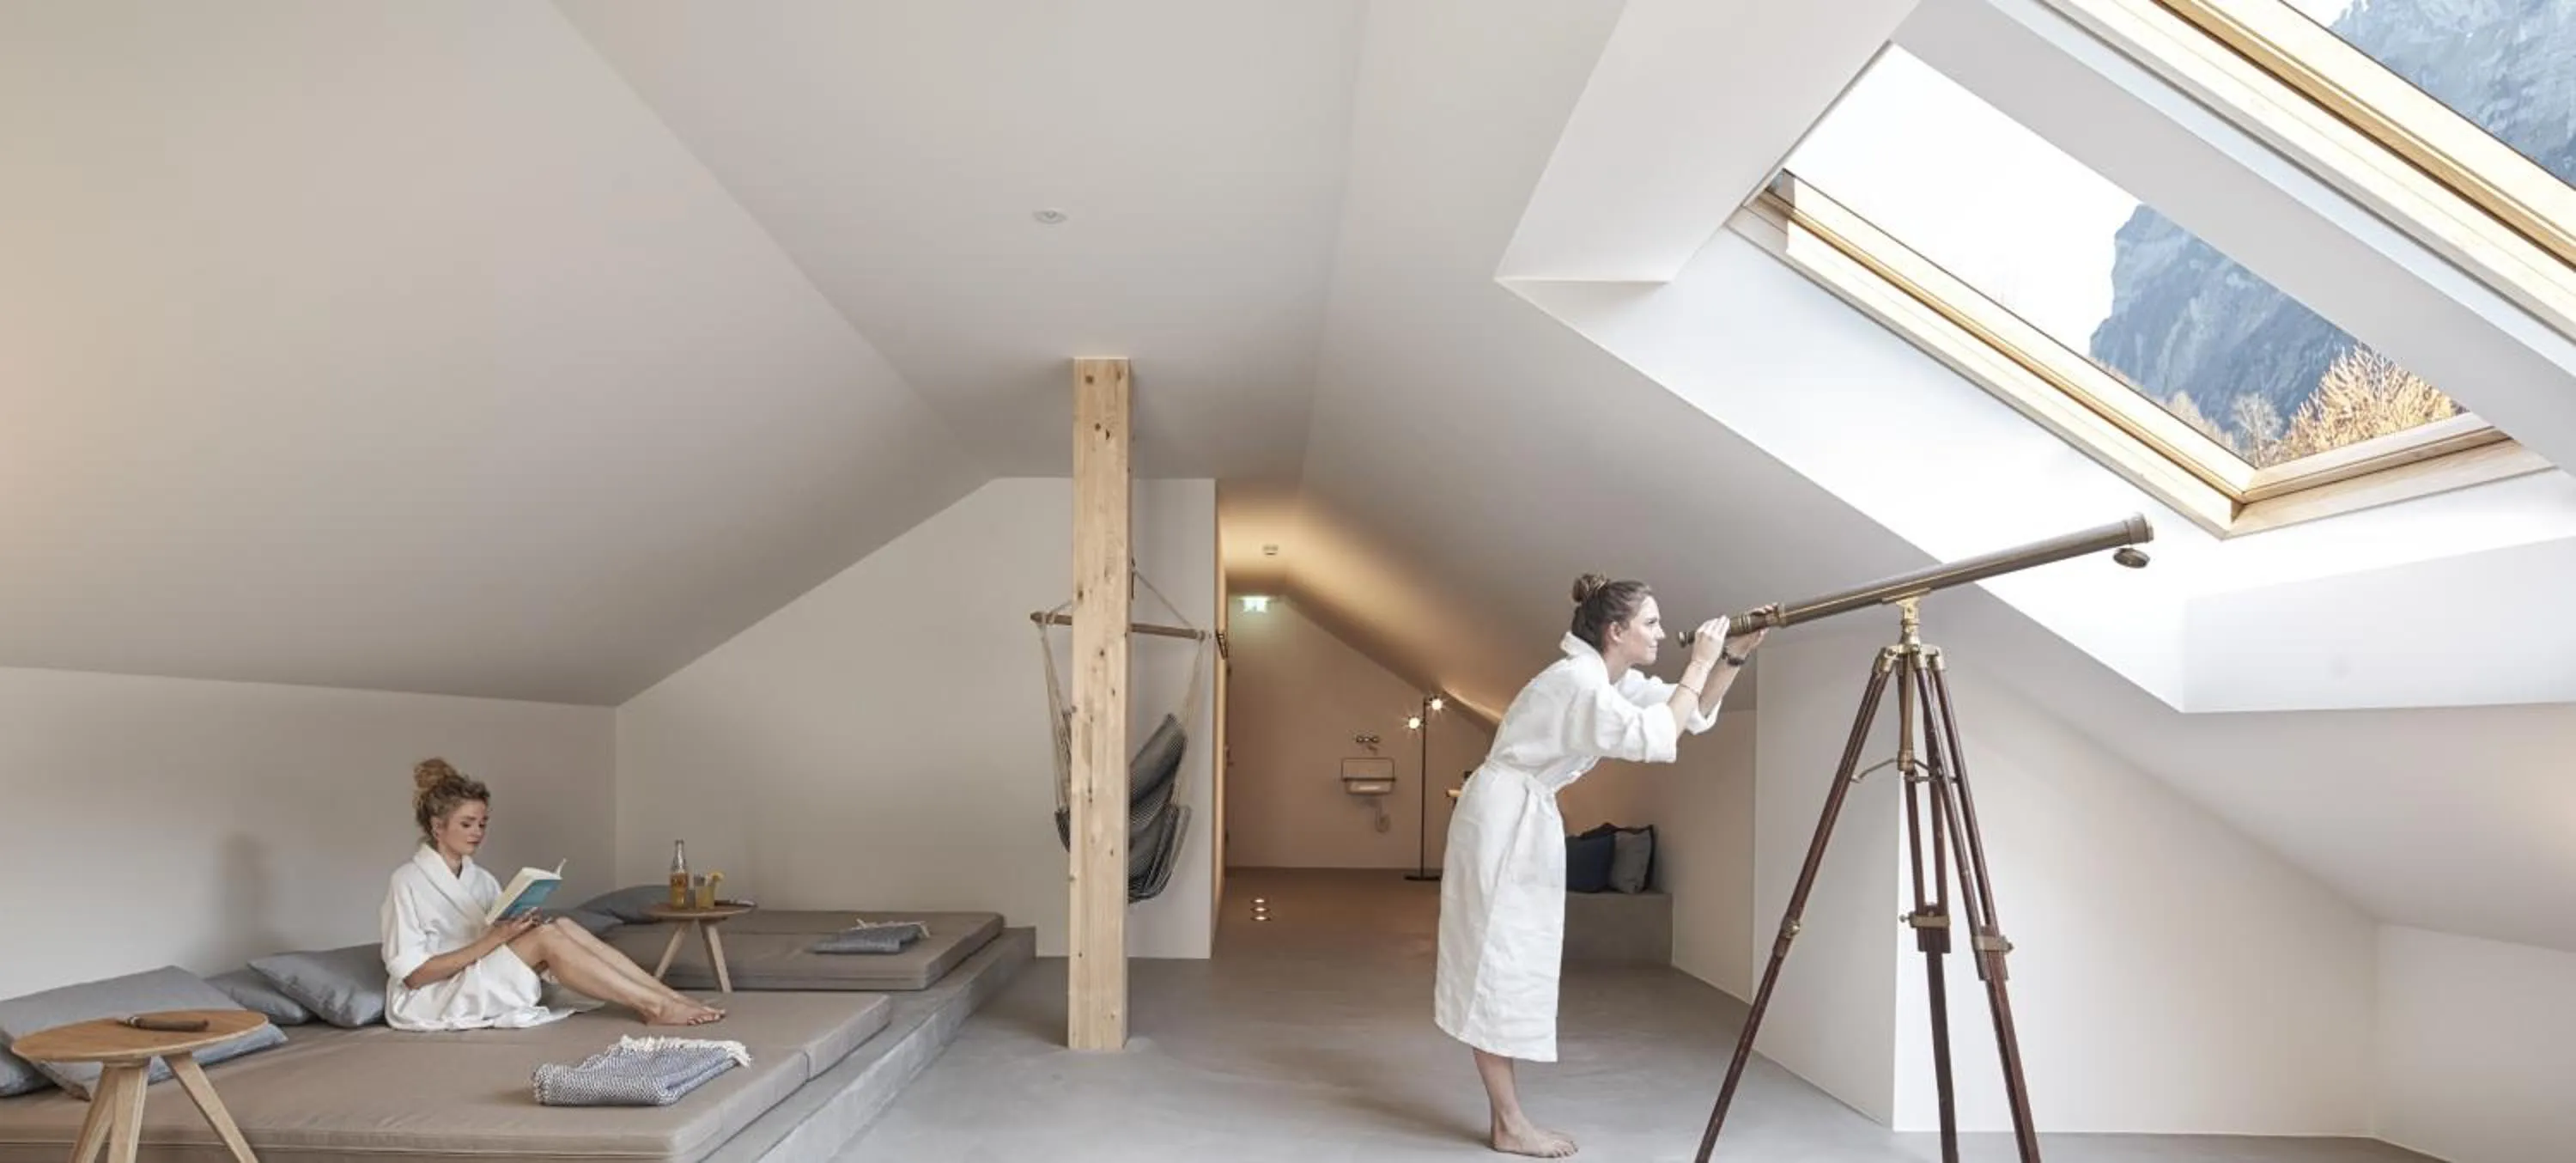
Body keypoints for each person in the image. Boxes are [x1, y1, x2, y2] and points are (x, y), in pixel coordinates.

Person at [1433, 575, 1769, 1158]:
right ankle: (1509, 1124)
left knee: (1512, 963)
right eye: (1651, 623)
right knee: (1497, 966)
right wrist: (1702, 661)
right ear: (1617, 631)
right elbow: (1653, 738)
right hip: (1501, 825)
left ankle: (1506, 1118)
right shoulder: (1577, 684)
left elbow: (1683, 714)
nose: (1663, 633)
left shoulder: (1607, 678)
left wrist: (1733, 655)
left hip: (1520, 818)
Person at [382, 758, 723, 1030]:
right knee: (547, 938)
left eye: (483, 823)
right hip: (432, 997)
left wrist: (518, 928)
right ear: (437, 827)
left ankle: (667, 996)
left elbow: (497, 937)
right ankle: (656, 1007)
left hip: (476, 974)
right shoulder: (408, 881)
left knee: (561, 926)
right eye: (467, 824)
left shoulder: (480, 879)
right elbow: (414, 976)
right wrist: (497, 939)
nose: (478, 833)